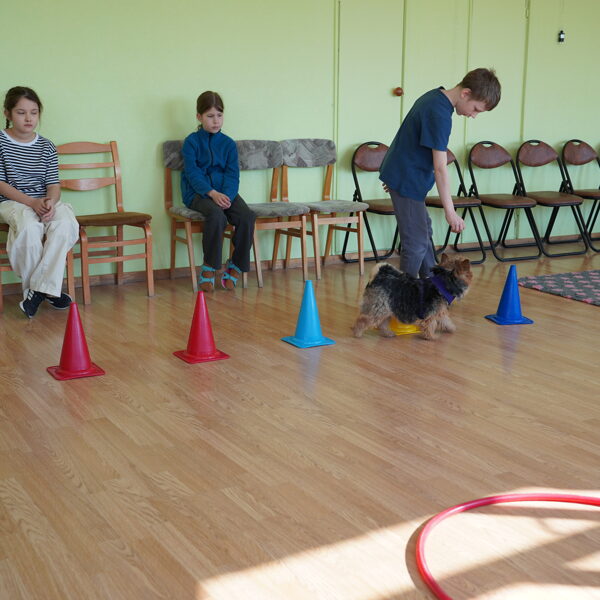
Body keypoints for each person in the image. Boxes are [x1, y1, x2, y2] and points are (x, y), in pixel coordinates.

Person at [380, 68, 501, 278]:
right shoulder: (439, 114)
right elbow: (440, 168)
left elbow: (408, 140)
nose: (473, 115)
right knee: (416, 243)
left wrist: (394, 175)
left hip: (405, 176)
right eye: (476, 109)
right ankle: (403, 293)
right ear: (465, 93)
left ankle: (432, 286)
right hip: (407, 180)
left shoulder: (435, 97)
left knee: (423, 233)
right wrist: (450, 212)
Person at [0, 86, 79, 318]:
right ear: (7, 113)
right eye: (21, 112)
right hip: (12, 201)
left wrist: (50, 203)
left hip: (43, 200)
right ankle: (49, 290)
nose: (28, 118)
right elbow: (1, 184)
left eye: (34, 113)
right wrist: (32, 203)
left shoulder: (47, 146)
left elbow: (53, 184)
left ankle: (37, 292)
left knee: (66, 222)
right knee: (28, 227)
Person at [181, 91, 256, 292]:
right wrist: (212, 193)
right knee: (216, 216)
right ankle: (209, 267)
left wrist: (227, 197)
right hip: (198, 193)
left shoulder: (228, 144)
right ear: (199, 117)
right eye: (210, 116)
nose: (216, 121)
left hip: (225, 193)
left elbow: (232, 175)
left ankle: (236, 265)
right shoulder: (191, 142)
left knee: (247, 216)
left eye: (219, 115)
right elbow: (192, 174)